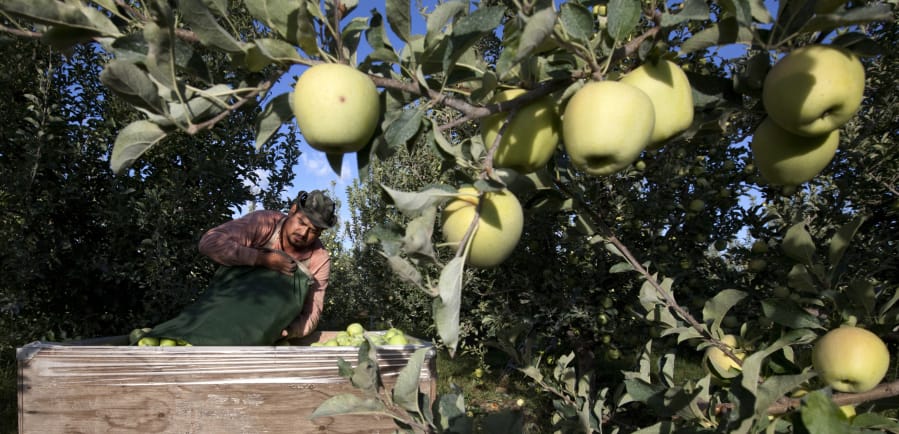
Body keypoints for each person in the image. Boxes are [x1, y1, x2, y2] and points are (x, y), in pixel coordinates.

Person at [198, 190, 337, 339]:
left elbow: (313, 311)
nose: (303, 233)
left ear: (321, 232)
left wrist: (290, 331)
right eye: (301, 222)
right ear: (292, 210)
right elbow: (209, 243)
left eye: (313, 231)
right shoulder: (264, 222)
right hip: (221, 312)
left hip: (265, 332)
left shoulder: (320, 259)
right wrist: (262, 259)